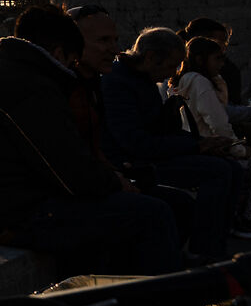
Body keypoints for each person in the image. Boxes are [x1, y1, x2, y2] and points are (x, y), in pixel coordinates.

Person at [0, 5, 181, 274]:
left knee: (135, 213)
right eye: (72, 61)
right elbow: (71, 172)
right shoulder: (32, 85)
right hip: (2, 217)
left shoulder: (7, 74)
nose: (72, 71)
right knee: (153, 214)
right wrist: (117, 183)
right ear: (59, 53)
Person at [99, 27, 241, 261]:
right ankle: (206, 251)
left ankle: (213, 246)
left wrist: (202, 143)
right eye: (170, 65)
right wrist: (196, 146)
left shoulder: (142, 80)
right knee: (218, 172)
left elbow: (157, 132)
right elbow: (136, 142)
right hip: (132, 162)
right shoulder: (118, 83)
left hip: (150, 153)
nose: (172, 73)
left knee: (231, 169)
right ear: (151, 57)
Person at [174, 36, 251, 231]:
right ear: (200, 60)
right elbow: (218, 121)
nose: (222, 64)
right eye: (217, 58)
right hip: (215, 148)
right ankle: (250, 220)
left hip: (202, 147)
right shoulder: (200, 82)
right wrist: (239, 149)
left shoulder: (187, 81)